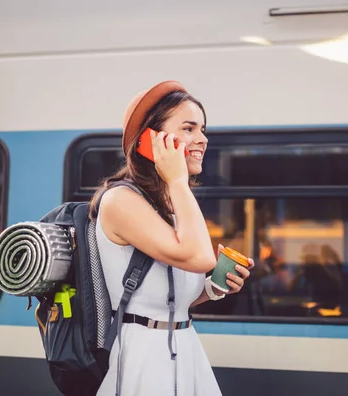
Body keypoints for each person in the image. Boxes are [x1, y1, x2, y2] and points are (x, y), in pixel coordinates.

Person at [89, 80, 254, 396]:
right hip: (145, 358)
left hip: (184, 345)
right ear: (151, 139)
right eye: (189, 128)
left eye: (202, 129)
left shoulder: (169, 203)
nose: (202, 139)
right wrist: (178, 179)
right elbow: (200, 257)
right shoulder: (120, 200)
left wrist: (212, 289)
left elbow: (169, 298)